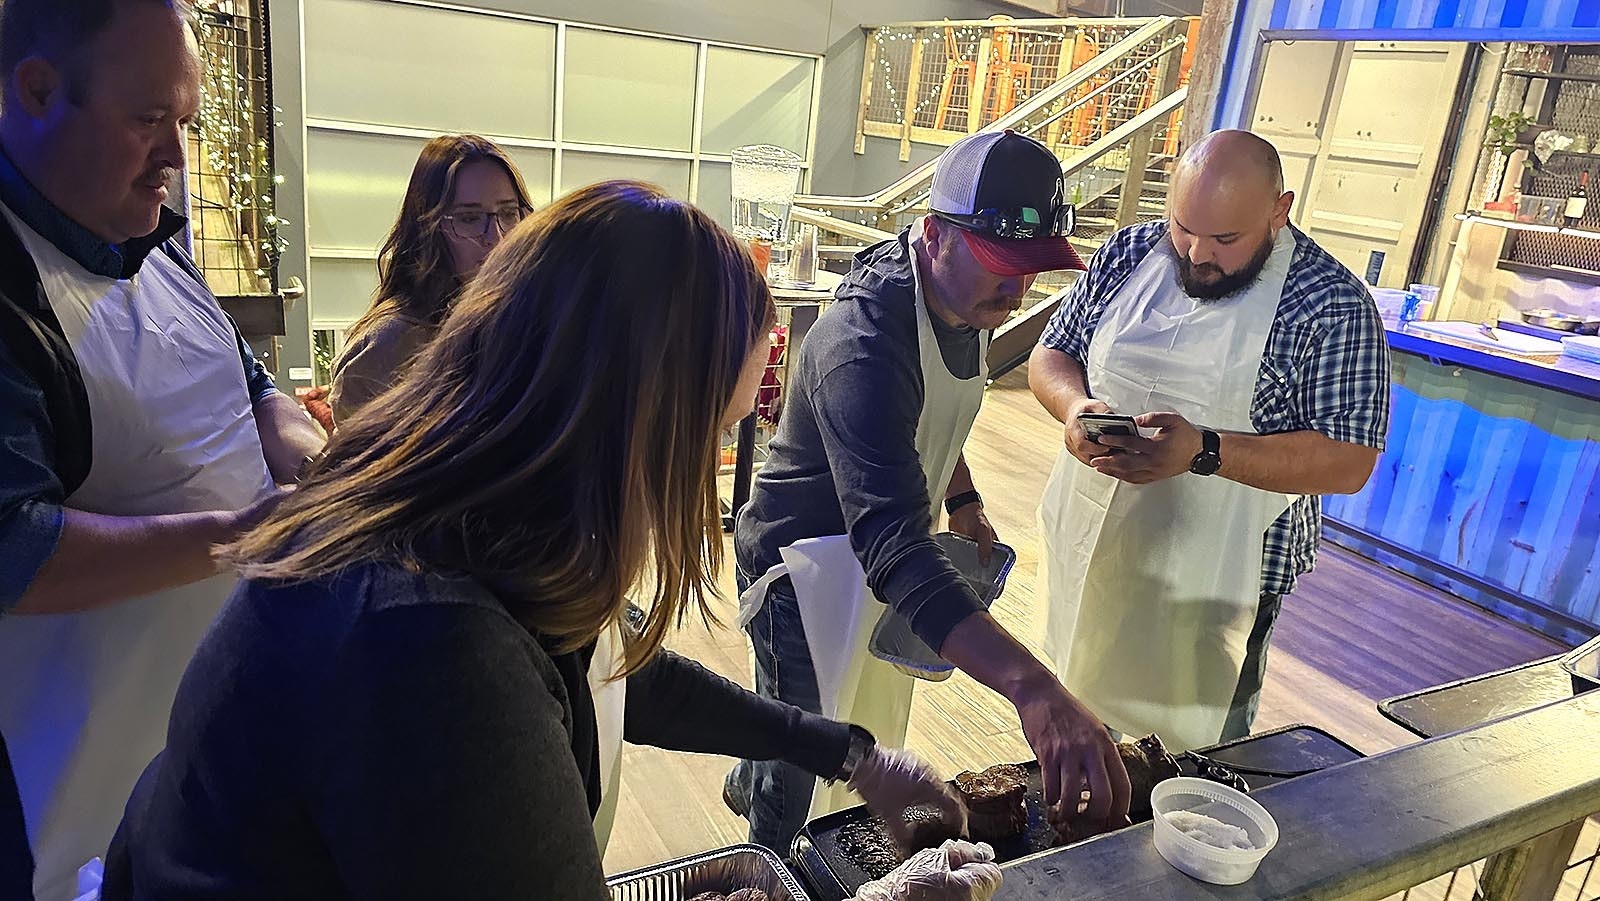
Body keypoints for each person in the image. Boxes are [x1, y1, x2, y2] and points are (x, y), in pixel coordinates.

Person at [100, 181, 1003, 901]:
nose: (697, 472)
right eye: (705, 436)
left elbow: (613, 667)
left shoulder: (478, 512)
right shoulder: (425, 643)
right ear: (629, 422)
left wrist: (850, 752)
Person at [730, 129, 1132, 854]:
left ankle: (784, 799)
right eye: (1003, 265)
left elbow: (934, 412)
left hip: (872, 564)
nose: (1018, 290)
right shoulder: (866, 339)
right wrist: (1035, 688)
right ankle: (766, 860)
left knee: (868, 735)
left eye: (1034, 270)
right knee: (802, 758)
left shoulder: (964, 297)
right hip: (807, 571)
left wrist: (964, 498)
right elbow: (891, 542)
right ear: (938, 234)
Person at [0, 1, 325, 897]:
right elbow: (12, 550)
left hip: (210, 723)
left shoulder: (149, 228)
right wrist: (241, 533)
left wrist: (296, 438)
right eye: (149, 121)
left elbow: (242, 376)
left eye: (183, 123)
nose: (177, 161)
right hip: (78, 777)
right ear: (35, 89)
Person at [1028, 129, 1391, 752]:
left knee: (1191, 759)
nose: (1197, 254)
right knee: (1074, 722)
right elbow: (1053, 353)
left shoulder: (1332, 306)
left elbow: (1348, 461)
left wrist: (1204, 452)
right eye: (1184, 226)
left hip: (1221, 581)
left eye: (1225, 239)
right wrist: (1074, 408)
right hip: (1094, 542)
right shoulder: (1128, 254)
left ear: (1280, 209)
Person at [328, 133, 535, 424]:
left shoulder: (524, 320)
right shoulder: (390, 343)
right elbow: (361, 463)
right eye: (469, 218)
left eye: (508, 213)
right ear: (428, 227)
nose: (496, 237)